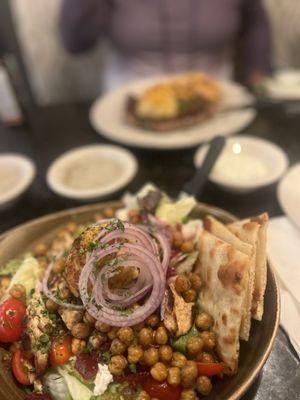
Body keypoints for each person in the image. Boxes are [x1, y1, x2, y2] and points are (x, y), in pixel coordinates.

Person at [59, 0, 271, 91]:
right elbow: (77, 44)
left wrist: (257, 71)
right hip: (128, 103)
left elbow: (255, 22)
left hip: (216, 101)